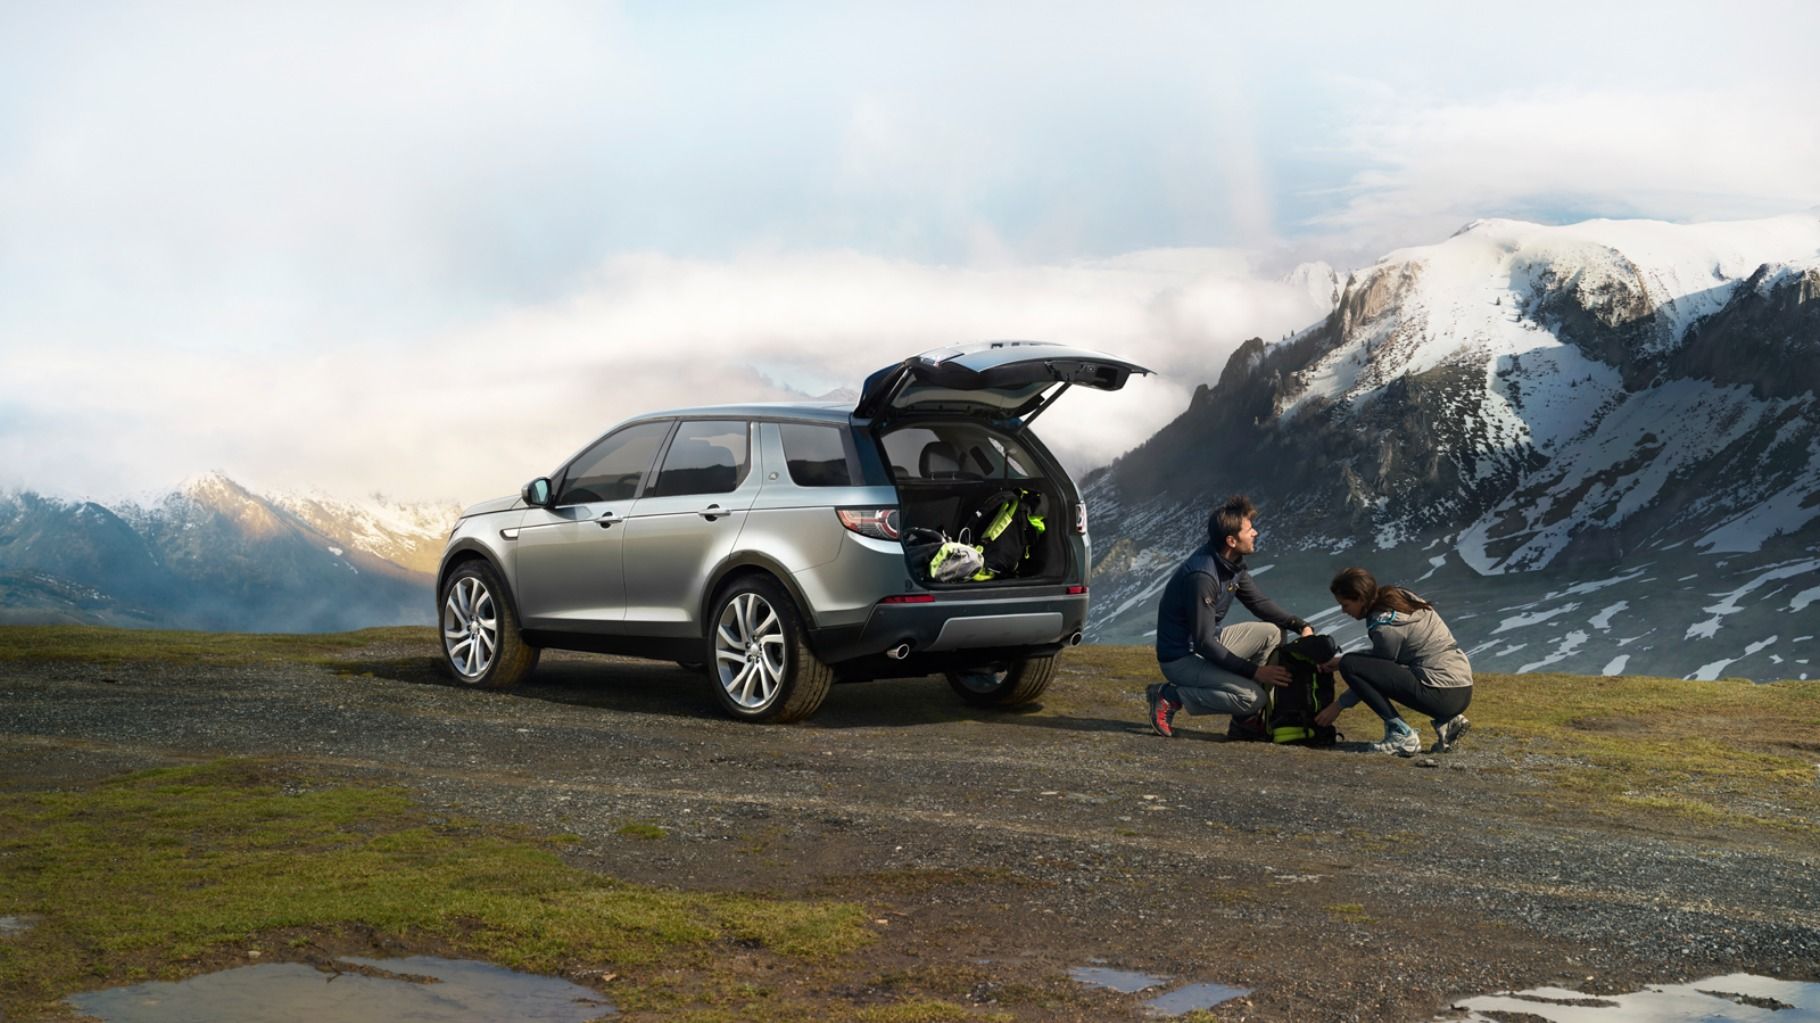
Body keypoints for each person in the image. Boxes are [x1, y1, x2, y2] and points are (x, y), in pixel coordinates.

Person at [1147, 494, 1316, 738]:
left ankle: (1246, 721)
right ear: (1231, 541)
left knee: (1272, 633)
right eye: (1249, 530)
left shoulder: (1231, 564)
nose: (1255, 533)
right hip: (1182, 659)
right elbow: (1204, 643)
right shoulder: (1203, 577)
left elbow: (1258, 603)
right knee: (1252, 697)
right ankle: (1170, 696)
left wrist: (1300, 625)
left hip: (1205, 644)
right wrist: (1255, 672)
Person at [1313, 567, 1472, 754]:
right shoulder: (1399, 597)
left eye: (1345, 605)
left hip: (1441, 693)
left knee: (1350, 664)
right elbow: (1383, 661)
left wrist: (1339, 705)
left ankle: (1402, 735)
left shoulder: (1384, 626)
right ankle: (1449, 722)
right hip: (1462, 687)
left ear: (1361, 598)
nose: (1343, 611)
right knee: (1349, 662)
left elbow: (1374, 673)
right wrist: (1340, 662)